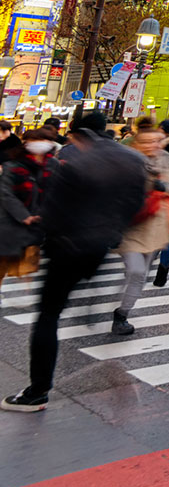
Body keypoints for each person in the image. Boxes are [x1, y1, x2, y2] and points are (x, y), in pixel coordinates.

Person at [5, 113, 146, 411]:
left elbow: (55, 211)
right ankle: (89, 309)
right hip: (101, 244)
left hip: (67, 246)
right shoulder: (132, 159)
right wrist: (112, 232)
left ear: (77, 135)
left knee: (48, 316)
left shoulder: (76, 165)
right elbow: (135, 203)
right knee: (65, 299)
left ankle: (37, 391)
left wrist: (40, 238)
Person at [112, 118, 169, 335]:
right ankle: (121, 314)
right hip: (130, 224)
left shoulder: (168, 160)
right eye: (147, 141)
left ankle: (123, 312)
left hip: (156, 223)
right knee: (136, 271)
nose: (152, 145)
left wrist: (163, 186)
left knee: (141, 274)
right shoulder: (126, 160)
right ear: (137, 143)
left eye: (157, 141)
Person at [0, 129, 57, 308]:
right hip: (9, 219)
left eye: (46, 140)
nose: (41, 144)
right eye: (36, 140)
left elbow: (58, 190)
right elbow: (5, 193)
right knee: (3, 258)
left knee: (29, 257)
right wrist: (24, 216)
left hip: (38, 219)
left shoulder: (53, 165)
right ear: (26, 142)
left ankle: (24, 288)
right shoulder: (13, 164)